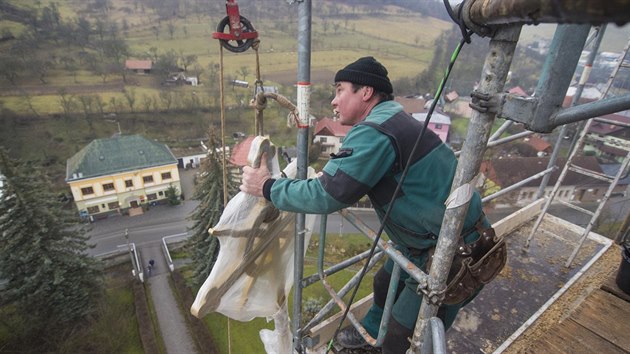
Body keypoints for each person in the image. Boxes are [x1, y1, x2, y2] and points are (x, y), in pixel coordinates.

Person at [240, 57, 491, 353]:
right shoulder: (390, 119)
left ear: (366, 93)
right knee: (385, 281)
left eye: (340, 90)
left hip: (454, 254)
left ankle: (387, 344)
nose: (334, 101)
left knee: (405, 335)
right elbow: (349, 177)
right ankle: (373, 333)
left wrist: (267, 187)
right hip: (428, 242)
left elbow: (327, 195)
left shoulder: (376, 131)